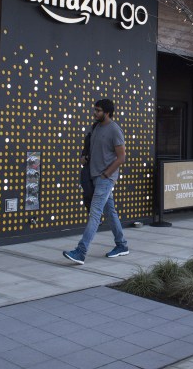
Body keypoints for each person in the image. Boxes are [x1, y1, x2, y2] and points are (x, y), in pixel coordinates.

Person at [63, 99, 128, 265]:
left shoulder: (115, 130)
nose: (95, 113)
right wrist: (85, 157)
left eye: (98, 111)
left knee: (95, 213)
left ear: (107, 112)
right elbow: (92, 149)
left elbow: (121, 157)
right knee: (110, 212)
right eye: (95, 110)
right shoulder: (95, 128)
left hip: (105, 178)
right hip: (94, 176)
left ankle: (81, 251)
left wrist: (106, 174)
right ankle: (121, 245)